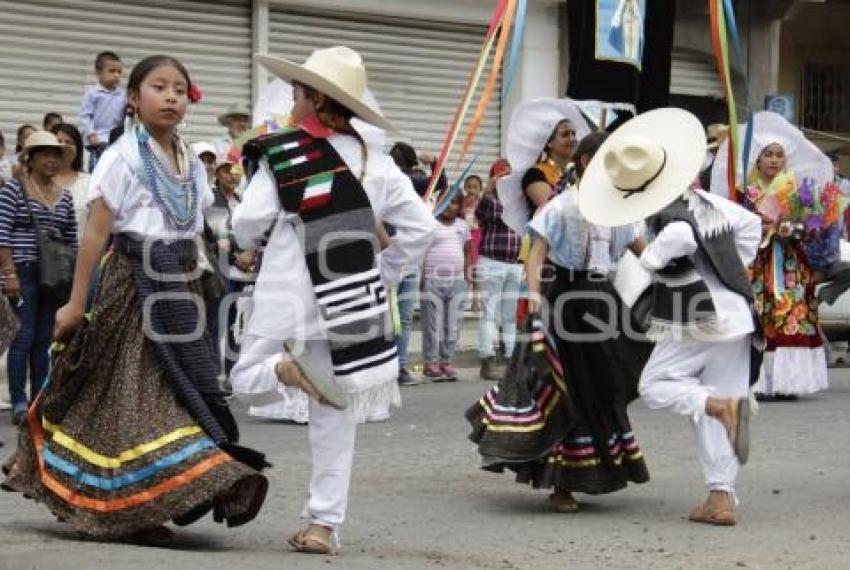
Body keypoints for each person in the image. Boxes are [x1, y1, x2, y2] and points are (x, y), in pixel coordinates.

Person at [2, 55, 269, 542]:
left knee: (178, 393)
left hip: (181, 289)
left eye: (180, 90)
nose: (171, 96)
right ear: (132, 99)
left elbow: (192, 229)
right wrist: (77, 303)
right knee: (132, 396)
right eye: (159, 87)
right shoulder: (122, 157)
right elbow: (94, 236)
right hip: (132, 289)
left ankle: (158, 497)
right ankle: (134, 507)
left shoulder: (189, 160)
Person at [229, 46, 436, 555]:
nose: (291, 101)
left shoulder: (282, 151)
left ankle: (284, 370)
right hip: (348, 302)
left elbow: (246, 224)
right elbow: (421, 231)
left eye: (297, 93)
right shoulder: (378, 162)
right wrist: (381, 274)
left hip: (287, 293)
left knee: (243, 378)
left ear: (314, 97)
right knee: (335, 419)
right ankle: (323, 524)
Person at [581, 108, 761, 526]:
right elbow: (750, 227)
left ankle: (715, 406)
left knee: (657, 384)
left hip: (694, 317)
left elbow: (677, 238)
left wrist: (651, 258)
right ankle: (720, 497)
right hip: (734, 313)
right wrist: (730, 266)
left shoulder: (668, 208)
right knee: (726, 399)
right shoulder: (708, 201)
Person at [467, 131, 651, 513]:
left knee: (606, 385)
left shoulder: (621, 211)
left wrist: (678, 267)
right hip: (565, 299)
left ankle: (598, 471)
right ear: (585, 162)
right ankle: (562, 484)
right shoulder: (562, 206)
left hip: (602, 302)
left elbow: (645, 253)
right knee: (566, 387)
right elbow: (537, 255)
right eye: (606, 159)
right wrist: (534, 298)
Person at [711, 111, 836, 400]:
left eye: (779, 155)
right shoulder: (744, 192)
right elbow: (733, 225)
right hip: (754, 264)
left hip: (789, 266)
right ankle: (755, 381)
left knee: (789, 316)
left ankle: (787, 383)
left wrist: (795, 228)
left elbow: (812, 229)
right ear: (757, 158)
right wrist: (764, 227)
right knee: (755, 316)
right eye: (768, 154)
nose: (774, 160)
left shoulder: (797, 192)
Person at [0, 131, 77, 426]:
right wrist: (8, 274)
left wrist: (71, 279)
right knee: (23, 337)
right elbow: (2, 235)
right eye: (45, 154)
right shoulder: (13, 191)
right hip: (22, 272)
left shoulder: (64, 196)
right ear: (29, 159)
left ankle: (37, 402)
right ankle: (19, 401)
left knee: (45, 339)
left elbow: (71, 240)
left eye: (56, 154)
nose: (52, 160)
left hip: (53, 277)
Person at [388, 141, 447, 386]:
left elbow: (440, 185)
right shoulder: (411, 183)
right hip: (401, 257)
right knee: (400, 317)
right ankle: (397, 368)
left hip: (396, 257)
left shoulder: (400, 181)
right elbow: (441, 183)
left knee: (395, 317)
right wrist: (433, 160)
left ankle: (395, 367)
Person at [475, 158, 522, 380]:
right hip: (491, 262)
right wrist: (490, 189)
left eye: (508, 176)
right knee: (490, 314)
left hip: (514, 265)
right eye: (500, 175)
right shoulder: (489, 201)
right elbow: (482, 214)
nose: (504, 180)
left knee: (510, 316)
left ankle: (512, 358)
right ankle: (488, 358)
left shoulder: (519, 201)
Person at [420, 190, 471, 382]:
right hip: (432, 279)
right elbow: (423, 251)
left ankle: (446, 361)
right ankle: (430, 362)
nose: (450, 206)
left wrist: (467, 276)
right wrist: (422, 277)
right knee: (432, 324)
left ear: (459, 206)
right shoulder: (430, 224)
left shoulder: (462, 226)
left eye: (455, 203)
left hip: (456, 280)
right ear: (439, 202)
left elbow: (466, 252)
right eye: (447, 202)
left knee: (453, 324)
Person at [79, 51, 126, 172]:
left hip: (116, 141)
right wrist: (90, 134)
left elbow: (125, 117)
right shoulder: (92, 93)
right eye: (111, 71)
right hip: (98, 140)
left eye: (119, 72)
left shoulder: (122, 95)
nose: (116, 75)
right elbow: (85, 116)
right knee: (97, 171)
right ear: (98, 73)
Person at [51, 123, 91, 239]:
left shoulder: (90, 182)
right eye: (58, 141)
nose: (63, 146)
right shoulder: (37, 181)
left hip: (78, 253)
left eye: (69, 142)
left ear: (78, 149)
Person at [463, 175, 483, 312]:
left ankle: (475, 302)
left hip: (477, 238)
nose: (472, 190)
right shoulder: (461, 203)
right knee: (464, 269)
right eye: (469, 186)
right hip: (464, 239)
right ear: (464, 188)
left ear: (480, 189)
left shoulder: (483, 203)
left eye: (475, 187)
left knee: (475, 271)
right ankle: (460, 301)